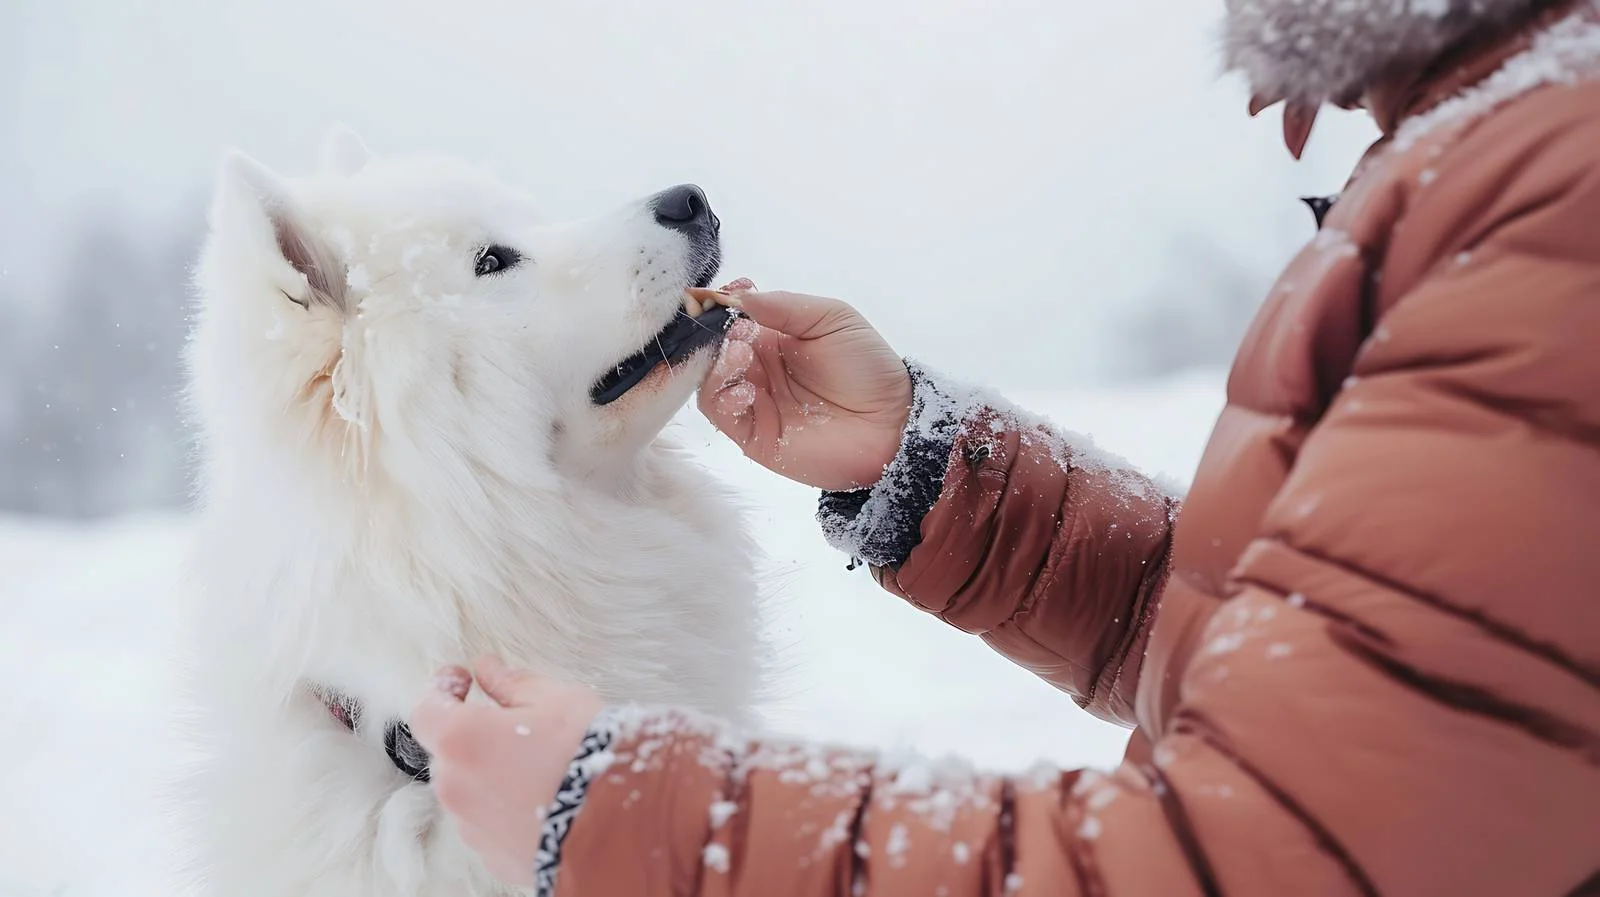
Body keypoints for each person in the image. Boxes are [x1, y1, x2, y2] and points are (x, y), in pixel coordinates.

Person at [410, 0, 1600, 893]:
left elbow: (1267, 859)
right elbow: (1369, 672)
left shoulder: (1552, 183)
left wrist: (633, 817)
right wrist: (930, 469)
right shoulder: (1501, 139)